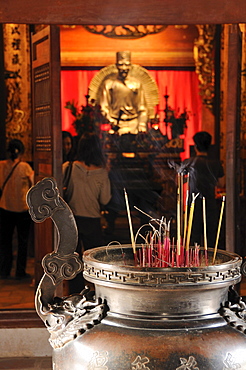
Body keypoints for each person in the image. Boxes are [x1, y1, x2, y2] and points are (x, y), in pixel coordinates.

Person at [62, 132, 111, 293]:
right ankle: (97, 292)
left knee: (73, 258)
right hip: (92, 219)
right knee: (95, 260)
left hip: (72, 219)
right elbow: (105, 199)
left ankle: (75, 293)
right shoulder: (102, 172)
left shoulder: (68, 167)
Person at [181, 131, 224, 247]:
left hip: (193, 203)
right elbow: (221, 182)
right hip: (210, 202)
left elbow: (179, 179)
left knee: (193, 235)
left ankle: (193, 261)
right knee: (210, 236)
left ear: (195, 146)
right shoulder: (215, 164)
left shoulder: (189, 162)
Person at [0, 139, 34, 279]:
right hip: (22, 209)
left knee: (5, 241)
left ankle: (5, 270)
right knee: (23, 242)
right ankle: (20, 271)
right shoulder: (25, 167)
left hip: (5, 207)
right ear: (21, 151)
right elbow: (33, 185)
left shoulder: (1, 166)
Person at [99, 51, 148, 136]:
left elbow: (142, 107)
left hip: (133, 123)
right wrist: (111, 121)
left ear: (130, 66)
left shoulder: (136, 84)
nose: (124, 68)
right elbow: (104, 107)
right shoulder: (109, 84)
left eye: (127, 65)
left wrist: (142, 124)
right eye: (121, 65)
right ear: (116, 66)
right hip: (115, 123)